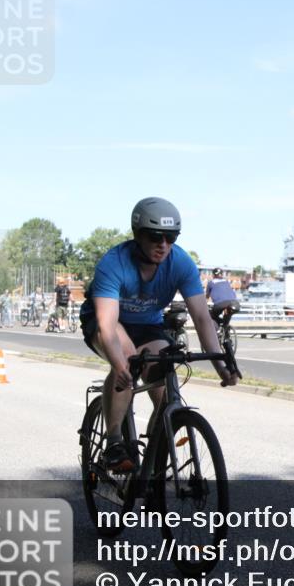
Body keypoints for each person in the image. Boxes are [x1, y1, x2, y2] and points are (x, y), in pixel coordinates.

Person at [79, 197, 239, 472]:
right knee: (128, 360)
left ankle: (153, 452)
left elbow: (201, 317)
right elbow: (107, 325)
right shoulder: (114, 263)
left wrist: (221, 366)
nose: (163, 245)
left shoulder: (181, 263)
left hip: (148, 324)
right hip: (105, 318)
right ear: (137, 234)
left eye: (171, 237)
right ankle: (115, 442)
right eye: (155, 237)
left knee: (164, 374)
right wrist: (119, 366)